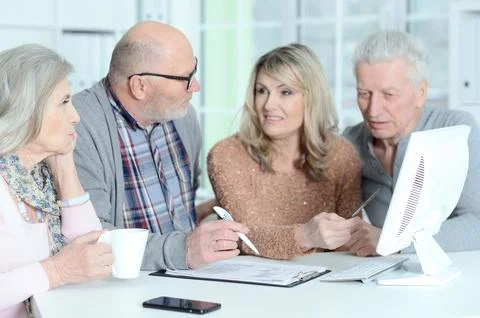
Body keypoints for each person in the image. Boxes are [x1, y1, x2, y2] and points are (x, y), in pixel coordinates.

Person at [73, 21, 248, 271]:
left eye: (194, 72)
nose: (196, 86)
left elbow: (185, 211)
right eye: (185, 78)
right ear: (139, 86)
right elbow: (92, 236)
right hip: (123, 289)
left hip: (192, 279)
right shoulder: (79, 126)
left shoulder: (183, 116)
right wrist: (183, 250)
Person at [207, 43, 362, 260]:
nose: (269, 104)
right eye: (261, 91)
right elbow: (247, 237)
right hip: (250, 286)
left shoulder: (341, 154)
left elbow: (349, 242)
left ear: (311, 98)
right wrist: (306, 235)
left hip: (324, 285)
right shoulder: (227, 154)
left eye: (285, 92)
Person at [0, 44, 114, 318]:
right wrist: (57, 270)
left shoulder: (40, 174)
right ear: (27, 111)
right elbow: (68, 267)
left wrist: (64, 165)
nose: (75, 116)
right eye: (64, 102)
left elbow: (92, 250)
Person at [344, 30, 480, 257]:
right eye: (364, 93)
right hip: (383, 279)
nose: (373, 110)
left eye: (388, 94)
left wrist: (394, 241)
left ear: (421, 93)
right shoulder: (349, 142)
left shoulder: (456, 130)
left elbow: (477, 224)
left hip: (458, 275)